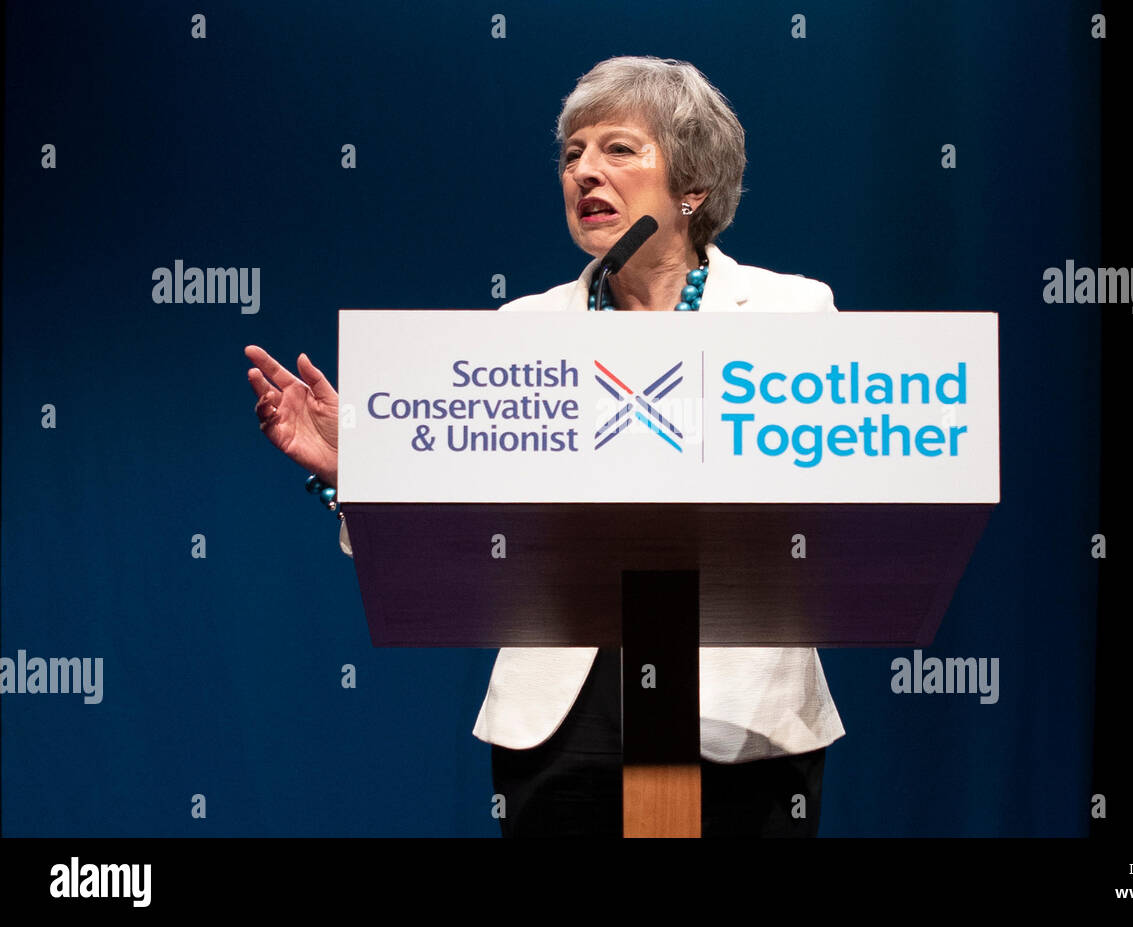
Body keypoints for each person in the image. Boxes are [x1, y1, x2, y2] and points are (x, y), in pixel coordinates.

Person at [245, 55, 845, 837]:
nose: (584, 172)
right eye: (572, 154)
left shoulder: (793, 314)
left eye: (618, 149)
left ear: (692, 185)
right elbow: (451, 532)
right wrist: (354, 472)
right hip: (562, 721)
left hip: (741, 710)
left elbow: (844, 506)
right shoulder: (521, 332)